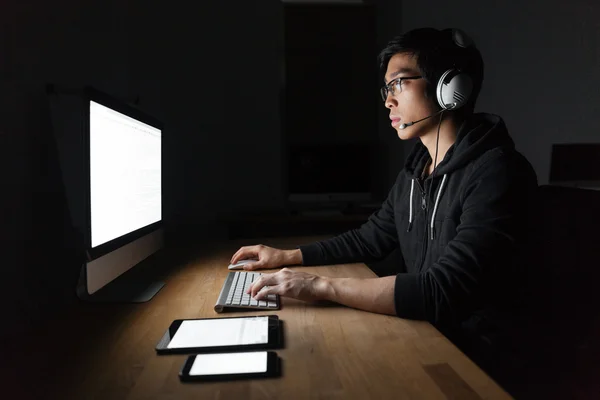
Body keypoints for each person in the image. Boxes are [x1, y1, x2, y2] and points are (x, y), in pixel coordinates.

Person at [230, 27, 537, 383]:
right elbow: (370, 238)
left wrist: (319, 287)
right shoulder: (417, 170)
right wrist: (287, 256)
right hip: (429, 336)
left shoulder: (497, 172)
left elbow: (443, 289)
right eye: (386, 88)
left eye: (399, 84)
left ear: (450, 88)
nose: (388, 100)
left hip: (479, 365)